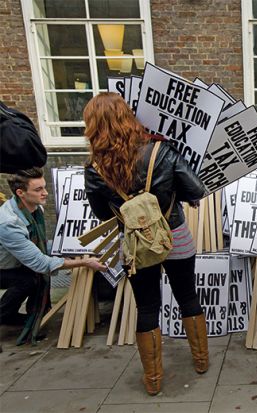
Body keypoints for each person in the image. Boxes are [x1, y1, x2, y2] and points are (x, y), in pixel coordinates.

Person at [82, 93, 209, 396]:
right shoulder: (161, 151)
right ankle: (201, 360)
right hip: (173, 233)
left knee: (147, 307)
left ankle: (153, 379)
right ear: (128, 117)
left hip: (136, 246)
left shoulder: (95, 168)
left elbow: (102, 214)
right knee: (188, 296)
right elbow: (196, 189)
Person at [0, 168, 106, 328]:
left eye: (44, 187)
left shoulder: (35, 209)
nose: (46, 193)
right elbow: (42, 263)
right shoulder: (9, 223)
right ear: (20, 192)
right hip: (3, 267)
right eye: (38, 189)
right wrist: (84, 263)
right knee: (29, 280)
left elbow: (42, 245)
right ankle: (5, 315)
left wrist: (69, 249)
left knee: (34, 277)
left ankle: (30, 316)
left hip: (15, 261)